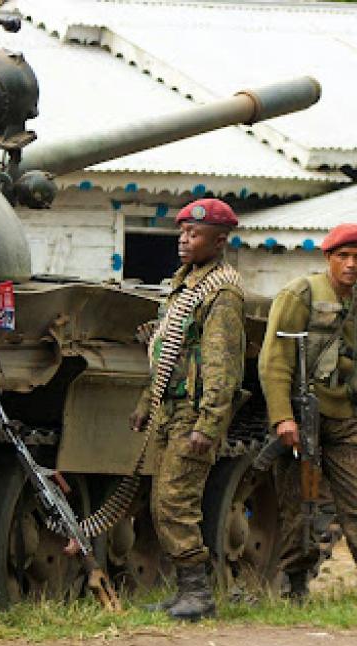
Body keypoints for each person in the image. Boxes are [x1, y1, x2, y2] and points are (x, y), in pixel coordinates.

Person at [258, 223, 357, 602]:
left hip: (348, 418)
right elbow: (275, 360)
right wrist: (283, 417)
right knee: (298, 504)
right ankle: (295, 584)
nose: (351, 264)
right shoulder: (300, 295)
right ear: (328, 257)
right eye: (343, 256)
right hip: (303, 416)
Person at [130, 198, 246, 621]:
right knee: (162, 502)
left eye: (194, 234)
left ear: (219, 241)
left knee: (175, 502)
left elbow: (222, 365)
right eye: (182, 232)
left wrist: (209, 424)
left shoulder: (221, 292)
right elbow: (170, 352)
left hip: (192, 414)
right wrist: (147, 402)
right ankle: (186, 591)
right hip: (171, 408)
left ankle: (198, 594)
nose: (183, 240)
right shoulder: (187, 283)